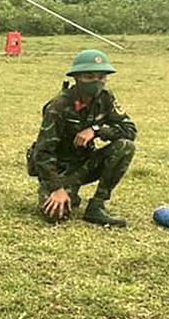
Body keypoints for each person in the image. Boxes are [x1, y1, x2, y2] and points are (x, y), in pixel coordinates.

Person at [30, 49, 137, 228]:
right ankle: (68, 192)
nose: (96, 82)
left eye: (101, 77)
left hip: (86, 164)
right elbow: (42, 153)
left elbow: (130, 130)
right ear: (77, 78)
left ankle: (97, 206)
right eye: (89, 76)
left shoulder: (106, 99)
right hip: (60, 170)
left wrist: (96, 130)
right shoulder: (58, 106)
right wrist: (57, 188)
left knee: (125, 146)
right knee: (55, 216)